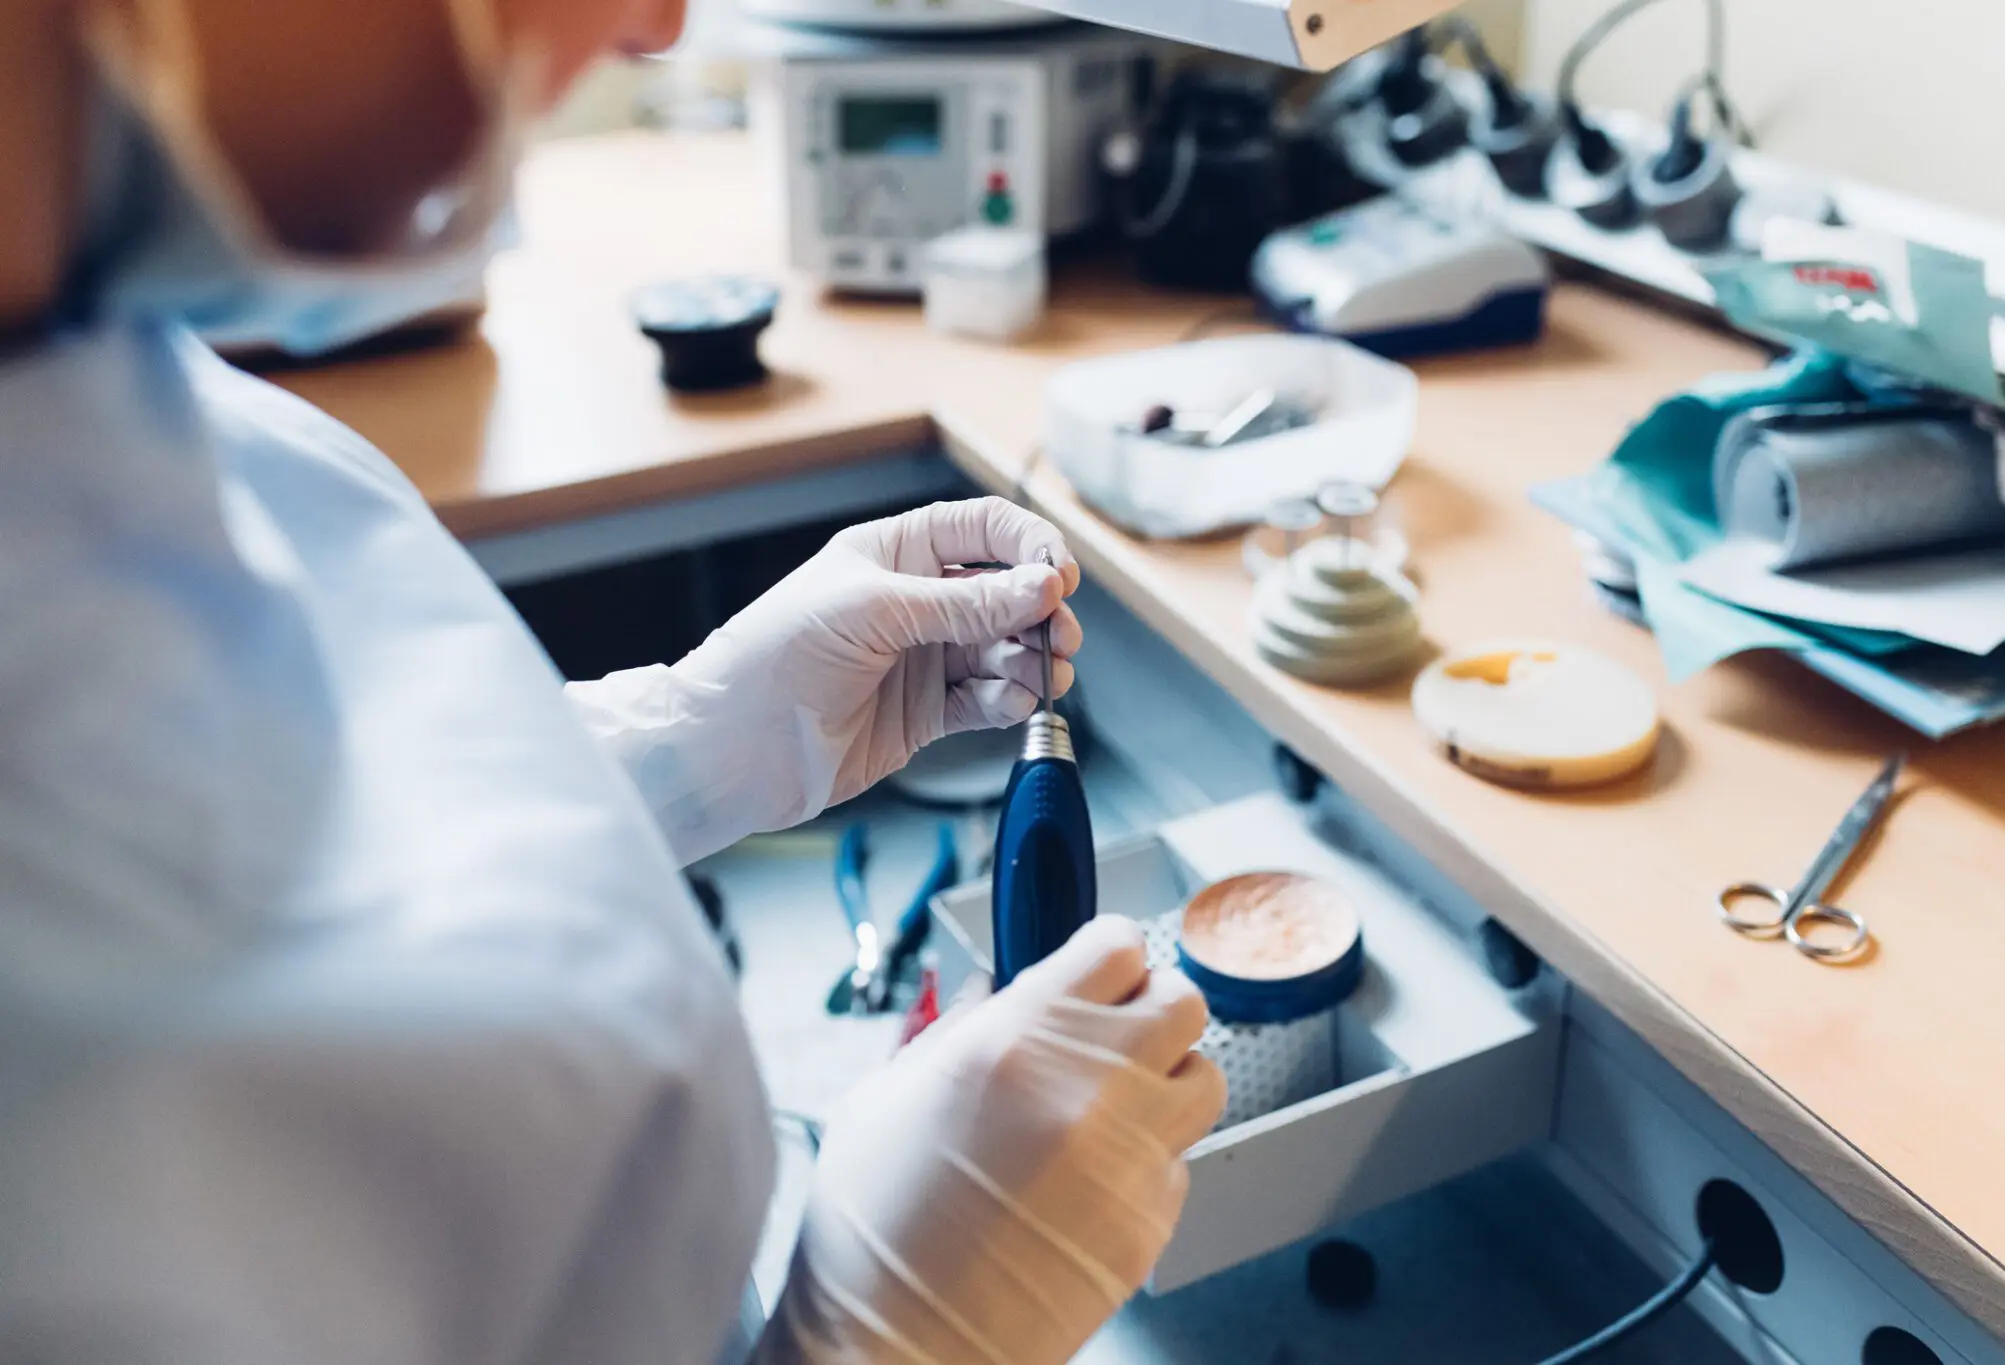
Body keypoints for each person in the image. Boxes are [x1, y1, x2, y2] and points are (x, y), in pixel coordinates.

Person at [0, 2, 1228, 1364]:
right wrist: (889, 1345)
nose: (656, 24)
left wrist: (691, 739)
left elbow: (300, 829)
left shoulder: (111, 364)